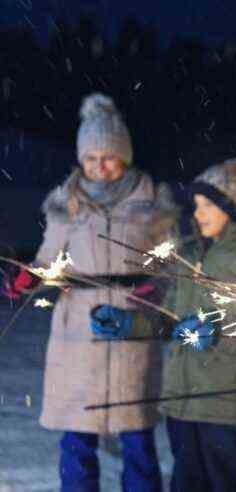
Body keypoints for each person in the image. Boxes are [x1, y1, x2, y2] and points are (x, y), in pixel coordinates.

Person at [2, 93, 178, 491]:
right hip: (78, 330)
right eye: (91, 157)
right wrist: (28, 279)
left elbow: (172, 264)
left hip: (132, 329)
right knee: (77, 438)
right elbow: (48, 260)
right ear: (81, 159)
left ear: (125, 156)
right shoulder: (67, 205)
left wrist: (155, 291)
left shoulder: (152, 203)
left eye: (109, 156)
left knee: (136, 437)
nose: (100, 166)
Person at [91, 147, 236, 491]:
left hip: (231, 406)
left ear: (231, 206)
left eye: (209, 205)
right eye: (197, 205)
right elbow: (173, 322)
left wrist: (218, 329)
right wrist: (128, 324)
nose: (199, 213)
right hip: (184, 404)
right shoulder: (191, 255)